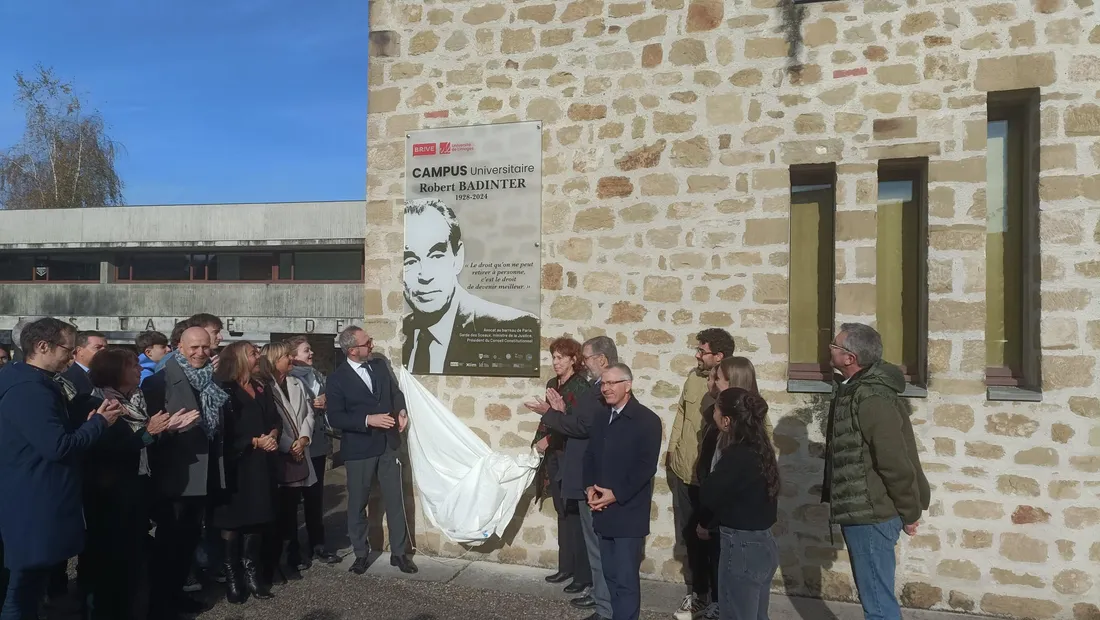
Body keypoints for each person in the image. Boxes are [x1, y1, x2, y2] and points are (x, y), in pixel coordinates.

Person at [0, 318, 122, 620]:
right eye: (68, 349)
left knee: (29, 586)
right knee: (23, 588)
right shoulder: (29, 389)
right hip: (34, 497)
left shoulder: (27, 378)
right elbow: (58, 446)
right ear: (42, 346)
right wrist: (99, 424)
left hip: (32, 492)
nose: (73, 356)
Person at [823, 323, 930, 620]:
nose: (829, 348)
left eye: (835, 345)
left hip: (872, 514)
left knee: (878, 605)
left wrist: (910, 513)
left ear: (850, 357)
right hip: (862, 510)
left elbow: (894, 462)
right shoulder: (853, 390)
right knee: (874, 596)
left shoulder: (870, 398)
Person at [83, 348, 198, 620]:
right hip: (110, 497)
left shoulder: (134, 399)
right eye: (132, 365)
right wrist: (149, 433)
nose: (139, 370)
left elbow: (141, 441)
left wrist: (164, 429)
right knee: (111, 565)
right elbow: (108, 451)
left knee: (135, 561)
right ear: (114, 371)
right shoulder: (96, 403)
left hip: (137, 490)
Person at [531, 335, 618, 620]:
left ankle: (600, 596)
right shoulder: (592, 388)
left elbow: (580, 427)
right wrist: (555, 414)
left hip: (585, 469)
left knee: (595, 538)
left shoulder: (592, 389)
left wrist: (552, 413)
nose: (584, 362)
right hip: (574, 466)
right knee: (576, 524)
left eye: (586, 357)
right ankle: (593, 589)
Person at [141, 327, 226, 619]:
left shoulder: (211, 380)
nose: (201, 352)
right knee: (169, 544)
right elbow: (148, 433)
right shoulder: (158, 382)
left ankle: (175, 596)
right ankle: (159, 604)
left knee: (188, 541)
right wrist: (168, 431)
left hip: (203, 474)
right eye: (194, 347)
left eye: (206, 347)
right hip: (175, 476)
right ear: (180, 346)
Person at [401, 197, 539, 375]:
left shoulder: (519, 325)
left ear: (458, 257)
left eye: (436, 256)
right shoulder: (398, 333)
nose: (425, 275)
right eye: (410, 260)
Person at [327, 326, 417, 575]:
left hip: (388, 444)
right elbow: (336, 417)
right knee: (357, 504)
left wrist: (401, 410)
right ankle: (360, 554)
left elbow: (395, 393)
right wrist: (368, 420)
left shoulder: (378, 366)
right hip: (359, 449)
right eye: (368, 342)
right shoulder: (336, 379)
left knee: (396, 500)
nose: (372, 345)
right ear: (352, 350)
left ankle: (399, 554)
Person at [581, 363, 662, 620]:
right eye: (603, 384)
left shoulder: (647, 420)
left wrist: (616, 494)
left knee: (626, 579)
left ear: (628, 385)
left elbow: (645, 467)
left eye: (612, 383)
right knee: (610, 576)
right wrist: (589, 487)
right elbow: (591, 455)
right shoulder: (601, 417)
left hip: (628, 513)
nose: (606, 389)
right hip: (602, 511)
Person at [687, 357, 762, 620]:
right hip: (723, 517)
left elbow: (728, 483)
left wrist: (710, 520)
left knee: (739, 599)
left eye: (716, 378)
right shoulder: (719, 420)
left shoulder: (743, 438)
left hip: (732, 523)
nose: (711, 382)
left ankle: (720, 603)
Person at [669, 328, 734, 620]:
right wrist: (672, 451)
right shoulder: (692, 380)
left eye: (702, 351)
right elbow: (681, 415)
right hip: (684, 472)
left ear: (718, 356)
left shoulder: (732, 385)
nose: (697, 355)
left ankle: (720, 600)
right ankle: (698, 595)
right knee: (691, 538)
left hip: (711, 478)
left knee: (717, 541)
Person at [700, 388, 781, 620]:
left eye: (715, 409)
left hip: (741, 546)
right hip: (762, 543)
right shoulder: (760, 448)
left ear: (727, 420)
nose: (712, 413)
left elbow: (709, 494)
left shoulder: (737, 455)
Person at [210, 342, 280, 604]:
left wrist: (273, 435)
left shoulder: (261, 387)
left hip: (261, 465)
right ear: (238, 358)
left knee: (256, 518)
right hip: (236, 465)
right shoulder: (224, 390)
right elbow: (221, 433)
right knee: (233, 522)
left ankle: (252, 573)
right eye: (252, 353)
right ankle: (232, 576)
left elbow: (274, 418)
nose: (258, 356)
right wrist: (253, 442)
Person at [528, 337, 591, 594]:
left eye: (560, 357)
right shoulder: (553, 383)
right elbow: (549, 420)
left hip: (570, 454)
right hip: (554, 454)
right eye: (553, 357)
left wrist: (552, 416)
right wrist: (539, 440)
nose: (555, 362)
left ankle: (581, 574)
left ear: (573, 359)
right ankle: (565, 566)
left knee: (574, 513)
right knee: (562, 512)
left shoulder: (581, 387)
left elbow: (574, 424)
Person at [259, 342, 317, 580]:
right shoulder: (264, 387)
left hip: (298, 452)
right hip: (277, 456)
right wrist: (289, 446)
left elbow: (308, 414)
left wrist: (303, 439)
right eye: (286, 356)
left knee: (292, 510)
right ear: (273, 360)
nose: (291, 359)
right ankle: (274, 561)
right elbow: (269, 422)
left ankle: (291, 556)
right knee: (277, 511)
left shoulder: (296, 383)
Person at [285, 335, 340, 566]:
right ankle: (292, 550)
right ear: (293, 355)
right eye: (306, 350)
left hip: (316, 444)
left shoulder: (317, 376)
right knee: (291, 500)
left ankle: (318, 544)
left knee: (315, 497)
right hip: (294, 445)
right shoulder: (284, 379)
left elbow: (331, 405)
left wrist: (327, 402)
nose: (311, 354)